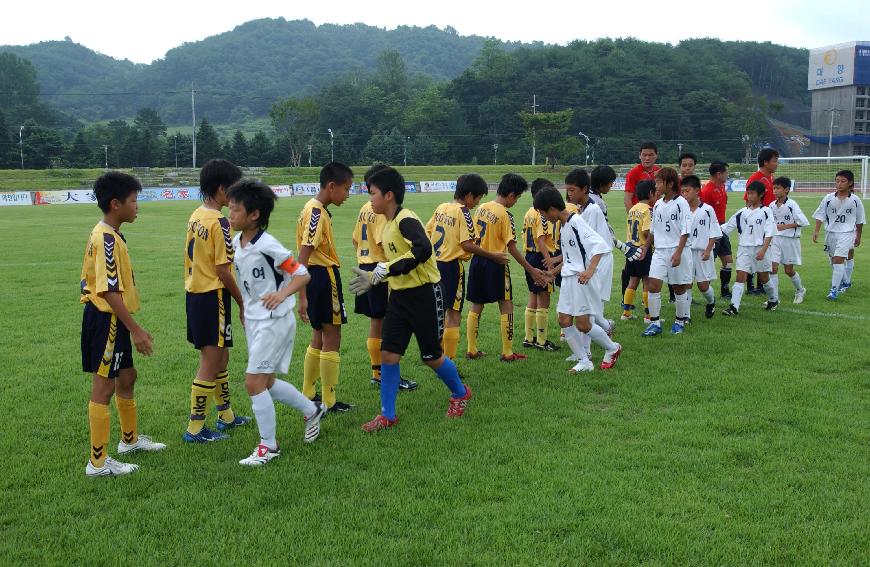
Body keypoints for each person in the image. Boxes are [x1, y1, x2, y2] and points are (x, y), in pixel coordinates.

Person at [348, 167, 472, 432]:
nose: (370, 199)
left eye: (373, 194)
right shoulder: (388, 223)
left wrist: (387, 268)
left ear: (389, 195)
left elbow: (424, 249)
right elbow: (394, 262)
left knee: (431, 356)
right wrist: (377, 277)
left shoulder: (406, 219)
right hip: (400, 298)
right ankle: (387, 415)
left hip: (426, 295)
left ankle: (460, 394)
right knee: (389, 355)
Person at [226, 180, 326, 466]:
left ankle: (268, 447)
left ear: (254, 214)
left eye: (235, 210)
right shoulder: (237, 242)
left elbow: (302, 273)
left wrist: (281, 294)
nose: (230, 215)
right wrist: (246, 309)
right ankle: (311, 410)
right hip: (256, 320)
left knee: (253, 382)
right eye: (229, 209)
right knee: (266, 382)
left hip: (275, 320)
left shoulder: (268, 245)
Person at [81, 172, 165, 476]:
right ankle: (98, 462)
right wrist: (136, 329)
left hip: (112, 317)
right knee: (102, 388)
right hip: (107, 319)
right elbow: (108, 291)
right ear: (116, 204)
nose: (137, 206)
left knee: (127, 376)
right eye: (134, 200)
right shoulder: (105, 238)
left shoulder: (111, 234)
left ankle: (129, 441)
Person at [183, 159, 250, 443]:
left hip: (196, 295)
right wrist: (242, 301)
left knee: (220, 356)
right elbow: (223, 270)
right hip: (213, 297)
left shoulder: (197, 215)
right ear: (222, 189)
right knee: (211, 361)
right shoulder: (220, 222)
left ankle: (226, 415)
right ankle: (195, 428)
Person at [534, 187, 622, 372]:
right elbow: (569, 258)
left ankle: (612, 348)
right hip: (568, 279)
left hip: (582, 281)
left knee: (583, 325)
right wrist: (553, 273)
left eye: (543, 212)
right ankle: (584, 361)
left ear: (551, 208)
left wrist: (590, 271)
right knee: (564, 320)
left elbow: (600, 246)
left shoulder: (576, 222)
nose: (543, 217)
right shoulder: (563, 225)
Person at [465, 173, 547, 362]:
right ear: (511, 195)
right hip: (496, 262)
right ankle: (508, 352)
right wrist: (531, 269)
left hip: (478, 260)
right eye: (517, 197)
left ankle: (471, 349)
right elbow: (511, 247)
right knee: (506, 304)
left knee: (477, 304)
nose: (516, 201)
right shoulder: (505, 214)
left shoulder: (481, 208)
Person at [352, 164, 417, 390]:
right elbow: (386, 242)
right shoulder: (379, 209)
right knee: (389, 323)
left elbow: (354, 239)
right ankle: (385, 375)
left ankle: (377, 372)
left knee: (376, 321)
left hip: (364, 264)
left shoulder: (364, 207)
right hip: (380, 269)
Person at [296, 162, 353, 413]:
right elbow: (303, 255)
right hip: (322, 277)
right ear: (332, 186)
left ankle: (309, 392)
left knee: (319, 334)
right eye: (346, 188)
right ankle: (329, 401)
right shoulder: (316, 212)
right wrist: (302, 295)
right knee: (333, 335)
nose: (348, 194)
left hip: (315, 277)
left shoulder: (311, 208)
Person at [426, 174, 501, 359]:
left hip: (435, 266)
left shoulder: (441, 208)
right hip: (452, 268)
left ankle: (437, 356)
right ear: (468, 195)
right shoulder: (463, 211)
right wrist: (493, 255)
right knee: (454, 313)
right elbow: (467, 244)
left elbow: (427, 232)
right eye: (477, 198)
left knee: (440, 311)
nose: (476, 203)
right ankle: (448, 362)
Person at [641, 167, 693, 336]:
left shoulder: (681, 203)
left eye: (658, 182)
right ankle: (655, 323)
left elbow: (685, 230)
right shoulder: (657, 204)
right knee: (653, 285)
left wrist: (678, 252)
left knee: (678, 287)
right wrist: (645, 248)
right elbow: (653, 230)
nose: (656, 185)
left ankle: (680, 320)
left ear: (670, 184)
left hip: (677, 250)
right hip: (660, 252)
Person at [720, 181, 777, 315]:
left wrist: (763, 250)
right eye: (748, 193)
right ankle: (734, 307)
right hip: (744, 249)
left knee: (764, 278)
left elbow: (770, 232)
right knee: (740, 275)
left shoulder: (766, 211)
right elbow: (727, 227)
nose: (749, 196)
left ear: (761, 195)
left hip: (760, 248)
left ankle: (773, 299)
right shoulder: (742, 212)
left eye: (752, 193)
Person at [812, 170, 865, 300]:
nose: (839, 184)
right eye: (837, 181)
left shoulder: (855, 200)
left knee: (838, 259)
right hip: (831, 233)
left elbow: (860, 220)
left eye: (843, 181)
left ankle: (834, 290)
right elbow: (820, 215)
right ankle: (846, 281)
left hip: (847, 233)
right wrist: (816, 230)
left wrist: (858, 236)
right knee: (832, 260)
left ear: (850, 183)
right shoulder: (828, 198)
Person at [521, 178, 559, 351]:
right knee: (544, 298)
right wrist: (550, 264)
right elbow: (541, 239)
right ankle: (542, 341)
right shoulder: (541, 213)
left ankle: (529, 337)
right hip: (541, 257)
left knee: (533, 296)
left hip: (529, 256)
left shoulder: (529, 211)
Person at [681, 175, 721, 319]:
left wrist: (708, 249)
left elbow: (714, 231)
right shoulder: (682, 209)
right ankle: (686, 316)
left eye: (687, 191)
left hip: (702, 252)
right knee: (687, 284)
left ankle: (711, 302)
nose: (684, 194)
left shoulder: (707, 210)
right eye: (683, 191)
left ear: (697, 190)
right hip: (686, 251)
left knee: (703, 286)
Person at [743, 148, 779, 295]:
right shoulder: (755, 178)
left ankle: (761, 285)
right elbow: (748, 201)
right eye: (774, 161)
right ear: (765, 162)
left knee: (765, 251)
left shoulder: (770, 177)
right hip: (757, 221)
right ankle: (751, 286)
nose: (777, 164)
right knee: (754, 250)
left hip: (768, 219)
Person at [769, 176, 809, 304]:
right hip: (776, 239)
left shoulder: (792, 204)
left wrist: (785, 226)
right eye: (774, 188)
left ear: (786, 190)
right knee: (773, 267)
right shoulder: (771, 205)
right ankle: (774, 298)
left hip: (790, 240)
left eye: (778, 188)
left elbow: (802, 222)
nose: (775, 191)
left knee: (788, 270)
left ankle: (800, 290)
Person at [621, 180, 655, 322]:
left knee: (633, 281)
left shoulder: (633, 208)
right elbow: (647, 231)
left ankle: (626, 312)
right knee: (647, 282)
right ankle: (648, 315)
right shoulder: (648, 209)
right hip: (642, 250)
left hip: (631, 250)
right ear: (651, 193)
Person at [700, 161, 734, 298]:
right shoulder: (707, 191)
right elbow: (704, 213)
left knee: (728, 259)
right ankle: (705, 291)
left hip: (722, 228)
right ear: (719, 174)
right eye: (726, 172)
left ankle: (724, 290)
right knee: (709, 263)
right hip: (712, 229)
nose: (728, 175)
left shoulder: (721, 187)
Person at [623, 142, 661, 212]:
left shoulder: (659, 171)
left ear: (656, 155)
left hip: (656, 215)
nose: (647, 158)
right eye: (644, 155)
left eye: (650, 155)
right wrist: (633, 217)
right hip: (641, 215)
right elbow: (627, 199)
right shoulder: (633, 173)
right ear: (639, 155)